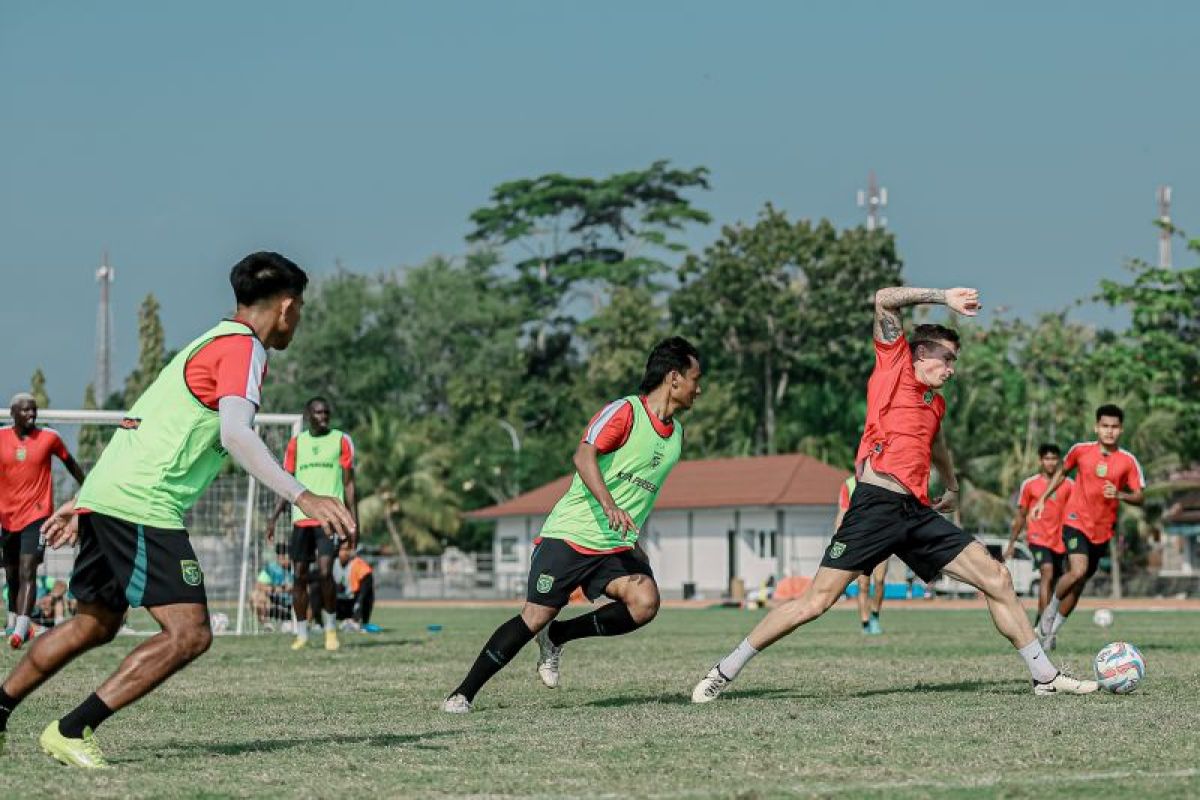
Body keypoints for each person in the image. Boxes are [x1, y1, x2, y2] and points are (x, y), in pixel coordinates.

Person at [0, 252, 356, 768]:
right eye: (299, 309)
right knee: (189, 634)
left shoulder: (206, 340)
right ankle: (72, 730)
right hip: (144, 504)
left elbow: (141, 424)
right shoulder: (244, 348)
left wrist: (86, 499)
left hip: (114, 496)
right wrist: (304, 495)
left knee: (94, 623)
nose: (296, 320)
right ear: (285, 306)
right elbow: (236, 435)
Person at [691, 286, 1097, 704]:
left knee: (997, 577)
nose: (952, 368)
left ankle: (1044, 675)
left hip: (916, 512)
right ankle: (725, 670)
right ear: (921, 354)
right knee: (816, 602)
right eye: (947, 358)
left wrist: (952, 484)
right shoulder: (894, 364)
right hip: (876, 505)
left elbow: (936, 444)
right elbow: (884, 298)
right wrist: (943, 298)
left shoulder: (933, 403)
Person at [442, 336, 702, 713]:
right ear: (674, 378)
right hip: (571, 534)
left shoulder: (676, 436)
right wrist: (609, 506)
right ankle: (461, 694)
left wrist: (634, 538)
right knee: (534, 616)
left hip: (614, 543)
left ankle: (560, 635)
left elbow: (640, 493)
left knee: (645, 603)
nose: (700, 388)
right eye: (696, 378)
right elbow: (583, 457)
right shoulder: (625, 412)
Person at [1033, 406, 1143, 649]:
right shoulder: (1080, 451)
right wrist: (1042, 499)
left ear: (1121, 429)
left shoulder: (1128, 461)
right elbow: (1061, 474)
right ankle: (1046, 616)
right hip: (1075, 520)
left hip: (1102, 531)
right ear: (1096, 427)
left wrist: (1120, 494)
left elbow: (1140, 496)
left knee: (1079, 585)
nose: (1109, 431)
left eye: (1114, 427)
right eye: (1105, 426)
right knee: (1077, 570)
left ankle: (1051, 634)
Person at [267, 397, 357, 652]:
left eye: (326, 412)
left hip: (329, 519)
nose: (323, 416)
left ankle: (330, 630)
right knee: (300, 577)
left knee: (327, 572)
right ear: (308, 415)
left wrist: (354, 522)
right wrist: (274, 518)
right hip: (301, 520)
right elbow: (287, 483)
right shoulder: (297, 443)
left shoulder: (341, 440)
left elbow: (350, 484)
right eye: (318, 413)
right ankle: (302, 633)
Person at [1, 394, 86, 648]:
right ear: (13, 413)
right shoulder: (1, 438)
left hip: (37, 515)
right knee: (12, 573)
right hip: (6, 517)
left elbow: (71, 464)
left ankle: (22, 628)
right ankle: (14, 620)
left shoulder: (49, 438)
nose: (31, 415)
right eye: (26, 411)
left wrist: (88, 490)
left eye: (34, 411)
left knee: (29, 568)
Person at [1004, 444, 1073, 623]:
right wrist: (1011, 543)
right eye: (1047, 458)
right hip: (1037, 537)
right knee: (1047, 573)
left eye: (1054, 459)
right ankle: (1044, 622)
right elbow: (1021, 515)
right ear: (1040, 460)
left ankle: (1041, 620)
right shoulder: (1030, 485)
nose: (1050, 462)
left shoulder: (1068, 485)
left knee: (1057, 582)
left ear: (1059, 461)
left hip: (1060, 540)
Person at [839, 476, 888, 635]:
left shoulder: (882, 479)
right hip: (860, 541)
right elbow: (842, 513)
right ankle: (865, 623)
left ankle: (875, 617)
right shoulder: (849, 484)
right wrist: (839, 539)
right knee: (863, 585)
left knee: (879, 581)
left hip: (883, 538)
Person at [333, 540, 375, 631]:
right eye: (343, 549)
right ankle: (319, 624)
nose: (345, 553)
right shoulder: (331, 563)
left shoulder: (358, 564)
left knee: (367, 591)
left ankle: (358, 621)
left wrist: (358, 608)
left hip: (352, 603)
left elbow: (365, 587)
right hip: (336, 603)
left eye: (347, 550)